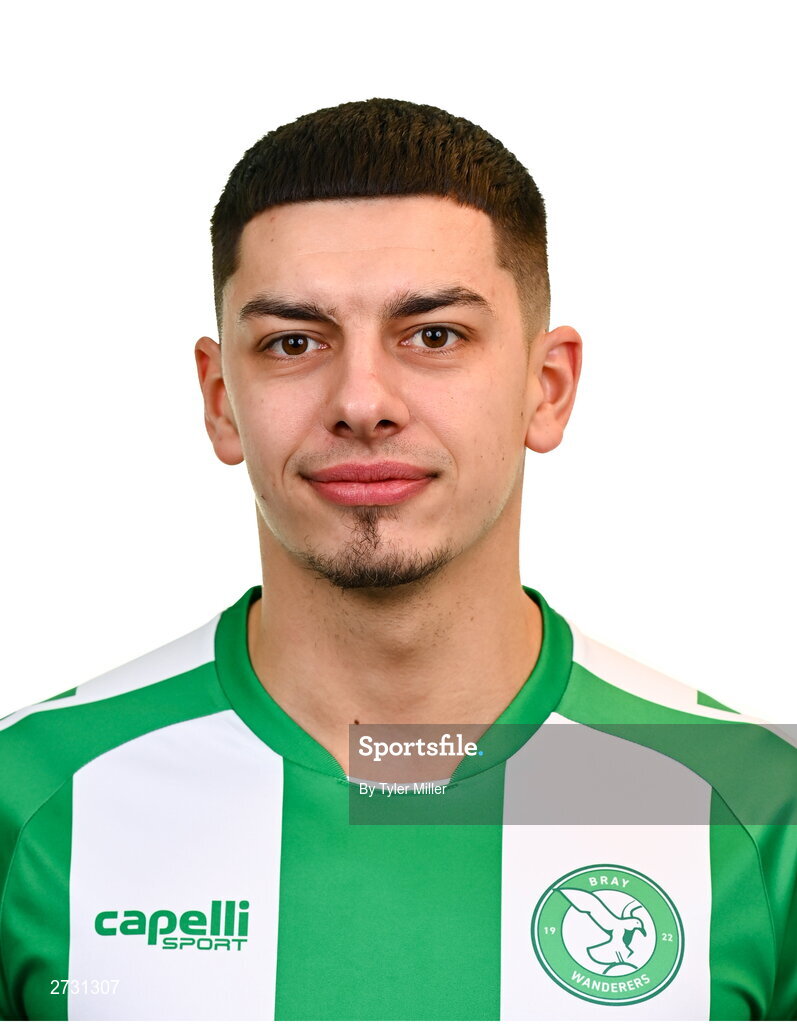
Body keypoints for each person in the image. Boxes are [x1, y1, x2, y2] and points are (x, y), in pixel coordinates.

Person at [0, 98, 794, 1023]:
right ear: (221, 399)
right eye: (294, 342)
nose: (363, 402)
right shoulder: (32, 793)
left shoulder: (752, 803)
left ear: (548, 388)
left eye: (434, 335)